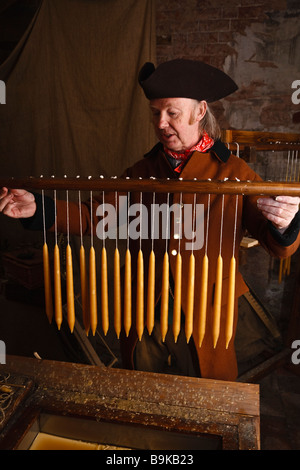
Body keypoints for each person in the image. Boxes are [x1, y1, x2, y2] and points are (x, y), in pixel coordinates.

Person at [1, 59, 299, 381]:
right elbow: (93, 218)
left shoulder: (235, 174)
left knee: (207, 395)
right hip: (144, 307)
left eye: (171, 112)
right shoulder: (142, 173)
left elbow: (278, 246)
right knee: (142, 390)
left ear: (200, 112)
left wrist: (284, 224)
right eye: (155, 113)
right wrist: (37, 209)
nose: (161, 123)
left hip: (204, 312)